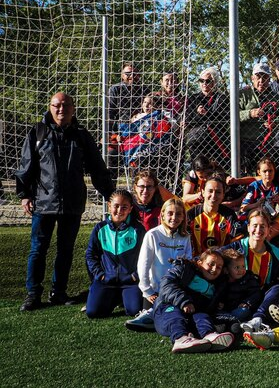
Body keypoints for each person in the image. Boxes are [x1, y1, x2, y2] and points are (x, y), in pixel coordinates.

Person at [16, 92, 114, 311]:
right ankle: (33, 294)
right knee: (38, 249)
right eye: (57, 105)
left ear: (73, 108)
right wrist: (24, 195)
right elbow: (27, 165)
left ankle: (58, 292)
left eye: (66, 105)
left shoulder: (81, 135)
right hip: (44, 202)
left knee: (66, 249)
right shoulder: (38, 132)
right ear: (50, 107)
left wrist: (110, 194)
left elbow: (97, 167)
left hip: (72, 203)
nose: (61, 110)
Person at [128, 197, 192, 331]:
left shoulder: (186, 237)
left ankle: (160, 317)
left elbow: (188, 264)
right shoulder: (152, 235)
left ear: (183, 217)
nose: (174, 217)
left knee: (179, 314)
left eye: (179, 214)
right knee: (159, 312)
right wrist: (147, 290)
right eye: (170, 213)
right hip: (155, 291)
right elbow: (143, 265)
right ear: (162, 214)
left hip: (175, 290)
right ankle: (149, 315)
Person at [152, 248, 233, 353]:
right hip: (166, 309)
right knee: (175, 315)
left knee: (202, 316)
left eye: (219, 267)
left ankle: (210, 336)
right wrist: (184, 301)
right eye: (210, 264)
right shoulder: (184, 269)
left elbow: (211, 306)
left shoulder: (218, 285)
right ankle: (180, 338)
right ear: (200, 263)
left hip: (192, 313)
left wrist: (220, 304)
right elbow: (166, 285)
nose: (214, 269)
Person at [85, 190, 146, 319]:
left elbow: (146, 257)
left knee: (134, 310)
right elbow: (90, 255)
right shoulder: (100, 229)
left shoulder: (138, 229)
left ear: (130, 209)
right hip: (107, 280)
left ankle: (123, 295)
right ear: (109, 206)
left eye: (124, 207)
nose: (119, 210)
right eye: (116, 206)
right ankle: (113, 295)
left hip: (130, 281)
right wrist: (100, 275)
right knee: (93, 312)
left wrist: (135, 276)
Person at [239, 62, 279, 172]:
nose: (261, 81)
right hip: (244, 142)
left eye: (265, 77)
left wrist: (275, 122)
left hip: (267, 144)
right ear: (252, 78)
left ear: (269, 79)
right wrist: (250, 113)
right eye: (258, 77)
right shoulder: (243, 94)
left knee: (264, 173)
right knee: (245, 172)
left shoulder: (276, 97)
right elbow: (231, 114)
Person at [185, 67, 230, 163]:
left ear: (214, 82)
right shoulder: (193, 98)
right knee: (199, 166)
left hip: (216, 139)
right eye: (202, 80)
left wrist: (207, 113)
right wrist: (198, 114)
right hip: (197, 140)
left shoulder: (221, 98)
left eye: (208, 81)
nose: (204, 83)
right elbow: (188, 118)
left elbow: (225, 118)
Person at [186, 176, 240, 253]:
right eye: (210, 191)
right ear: (203, 192)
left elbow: (237, 238)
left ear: (223, 195)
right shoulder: (191, 215)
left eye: (218, 192)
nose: (214, 195)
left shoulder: (229, 215)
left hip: (221, 262)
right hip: (196, 261)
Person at [239, 157, 279, 222]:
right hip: (253, 216)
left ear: (274, 171)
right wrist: (256, 204)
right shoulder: (254, 186)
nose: (268, 174)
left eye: (270, 171)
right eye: (264, 171)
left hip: (269, 217)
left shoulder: (277, 187)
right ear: (259, 172)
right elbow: (243, 208)